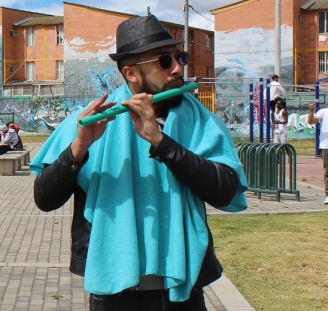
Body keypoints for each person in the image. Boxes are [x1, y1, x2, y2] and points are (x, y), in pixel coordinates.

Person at [30, 15, 248, 310]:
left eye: (179, 57)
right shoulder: (90, 119)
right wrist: (80, 147)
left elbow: (225, 192)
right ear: (131, 74)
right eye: (164, 61)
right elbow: (44, 198)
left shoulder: (201, 121)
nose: (178, 68)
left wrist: (161, 143)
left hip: (182, 289)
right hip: (115, 294)